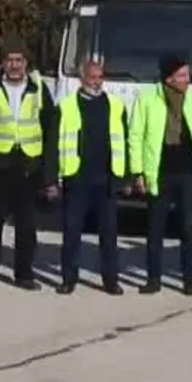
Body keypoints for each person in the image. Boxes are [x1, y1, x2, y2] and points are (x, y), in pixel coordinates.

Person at [0, 45, 57, 291]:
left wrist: (48, 171)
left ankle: (24, 275)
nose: (15, 65)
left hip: (28, 165)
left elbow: (50, 130)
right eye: (10, 60)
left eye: (19, 60)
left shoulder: (39, 88)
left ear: (26, 63)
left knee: (27, 225)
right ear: (2, 63)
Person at [132, 55, 192, 295]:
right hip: (160, 172)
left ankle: (190, 280)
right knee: (156, 229)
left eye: (188, 74)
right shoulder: (146, 99)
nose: (188, 80)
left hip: (188, 172)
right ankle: (153, 279)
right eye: (183, 75)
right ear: (169, 78)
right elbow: (135, 136)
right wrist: (137, 172)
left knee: (189, 227)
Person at [56, 59, 129, 295]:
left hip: (106, 181)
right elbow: (53, 145)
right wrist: (51, 178)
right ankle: (69, 279)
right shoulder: (66, 106)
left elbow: (123, 143)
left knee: (109, 235)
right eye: (92, 77)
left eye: (100, 77)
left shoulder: (115, 106)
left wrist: (124, 178)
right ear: (82, 78)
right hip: (76, 178)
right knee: (72, 232)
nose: (96, 82)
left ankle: (110, 280)